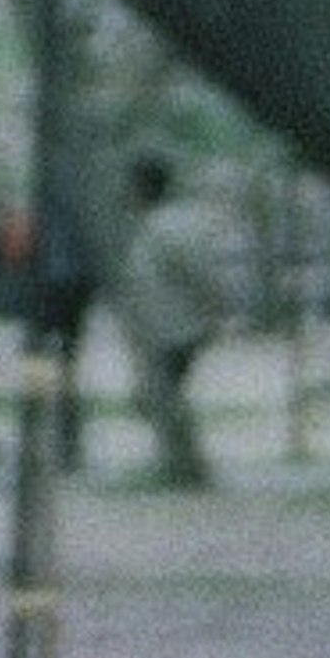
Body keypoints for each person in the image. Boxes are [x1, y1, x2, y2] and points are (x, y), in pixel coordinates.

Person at [107, 152, 222, 489]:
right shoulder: (150, 226)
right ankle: (184, 464)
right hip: (160, 326)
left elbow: (196, 272)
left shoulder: (166, 227)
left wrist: (214, 307)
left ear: (142, 187)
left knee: (163, 395)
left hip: (176, 326)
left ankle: (188, 468)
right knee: (161, 396)